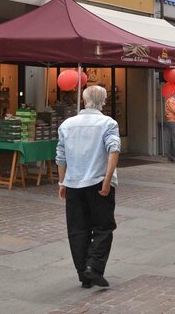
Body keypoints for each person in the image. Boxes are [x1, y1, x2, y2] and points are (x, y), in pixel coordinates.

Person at [56, 85, 120, 289]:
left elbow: (60, 156)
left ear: (83, 101)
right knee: (103, 227)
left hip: (74, 183)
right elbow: (114, 150)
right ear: (103, 101)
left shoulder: (67, 124)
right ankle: (93, 266)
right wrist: (107, 180)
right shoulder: (108, 123)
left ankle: (83, 273)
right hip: (98, 181)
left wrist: (62, 182)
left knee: (77, 229)